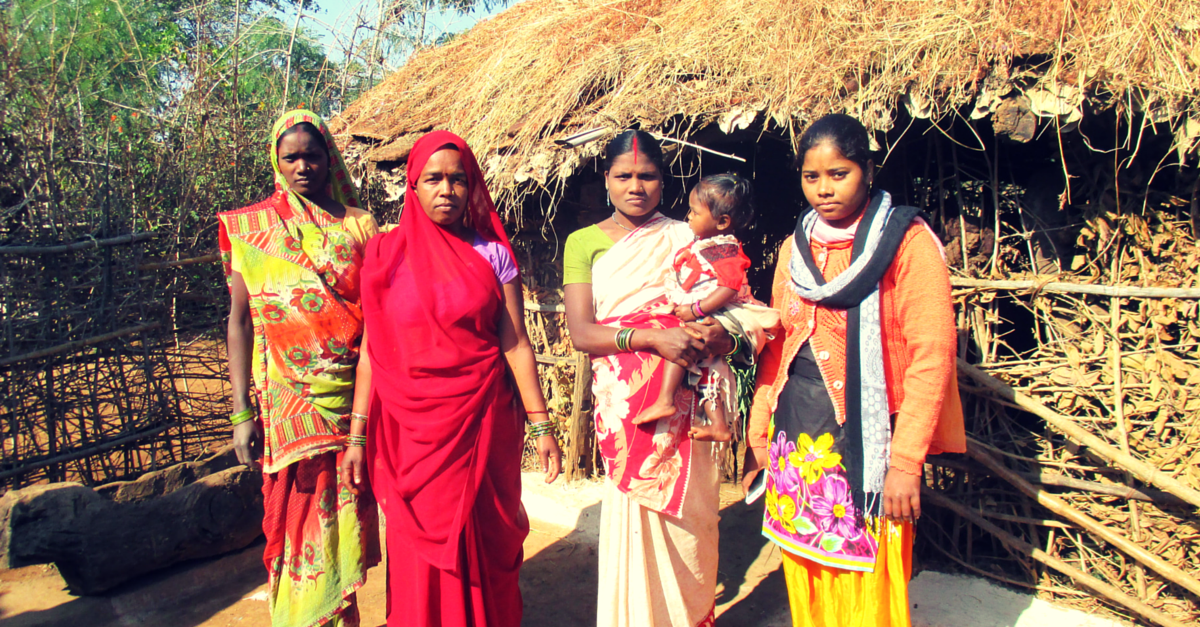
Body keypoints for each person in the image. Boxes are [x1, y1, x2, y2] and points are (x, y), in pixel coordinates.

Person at [744, 113, 966, 627]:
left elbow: (932, 356)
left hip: (869, 446)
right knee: (806, 576)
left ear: (867, 169)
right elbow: (777, 349)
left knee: (870, 587)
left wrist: (906, 463)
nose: (823, 189)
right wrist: (760, 429)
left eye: (838, 174)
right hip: (797, 441)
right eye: (811, 176)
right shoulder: (794, 249)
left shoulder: (905, 244)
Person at [353, 130, 562, 627]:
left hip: (482, 425)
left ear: (472, 188)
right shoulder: (383, 258)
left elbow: (515, 344)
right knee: (417, 551)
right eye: (433, 179)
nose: (446, 189)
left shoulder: (492, 255)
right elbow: (371, 353)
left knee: (486, 543)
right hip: (412, 436)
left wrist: (542, 425)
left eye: (457, 179)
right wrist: (357, 433)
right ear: (413, 186)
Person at [563, 130, 770, 627]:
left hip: (690, 407)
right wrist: (651, 340)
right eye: (623, 176)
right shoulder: (583, 243)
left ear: (664, 179)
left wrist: (720, 338)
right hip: (628, 410)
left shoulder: (688, 238)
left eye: (648, 175)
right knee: (633, 527)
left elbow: (743, 308)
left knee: (691, 528)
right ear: (606, 180)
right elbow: (582, 333)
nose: (636, 186)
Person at [220, 109, 380, 627]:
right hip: (288, 404)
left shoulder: (358, 223)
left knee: (344, 518)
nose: (303, 166)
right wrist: (241, 411)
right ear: (276, 161)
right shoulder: (249, 228)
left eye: (313, 155)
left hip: (350, 398)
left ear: (328, 157)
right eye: (291, 157)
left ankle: (340, 613)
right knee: (295, 516)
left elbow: (377, 314)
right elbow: (241, 322)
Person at [632, 173, 780, 442]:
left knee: (681, 343)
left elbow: (730, 286)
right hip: (709, 312)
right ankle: (718, 425)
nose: (688, 216)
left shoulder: (724, 249)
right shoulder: (707, 245)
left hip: (720, 314)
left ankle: (665, 399)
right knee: (710, 371)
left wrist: (697, 310)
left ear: (722, 222)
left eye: (695, 211)